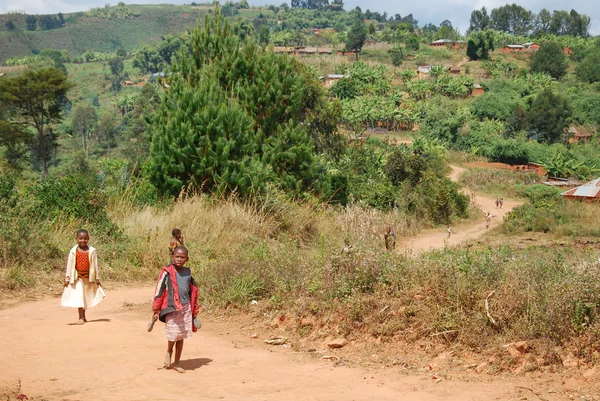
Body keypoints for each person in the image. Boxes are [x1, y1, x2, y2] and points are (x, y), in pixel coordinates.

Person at [152, 246, 200, 374]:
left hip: (185, 308)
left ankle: (177, 362)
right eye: (177, 256)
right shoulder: (167, 272)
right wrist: (156, 308)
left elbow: (193, 292)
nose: (179, 259)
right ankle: (169, 351)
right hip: (173, 308)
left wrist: (194, 312)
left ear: (187, 259)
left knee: (181, 336)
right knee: (173, 335)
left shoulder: (188, 273)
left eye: (182, 257)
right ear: (172, 257)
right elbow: (159, 290)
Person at [61, 229, 106, 325]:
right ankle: (80, 317)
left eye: (85, 239)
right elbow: (69, 265)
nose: (83, 240)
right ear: (76, 239)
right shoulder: (73, 251)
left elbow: (95, 265)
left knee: (85, 297)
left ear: (88, 239)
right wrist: (67, 278)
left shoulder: (92, 251)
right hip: (77, 278)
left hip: (88, 278)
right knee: (79, 297)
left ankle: (84, 315)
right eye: (80, 238)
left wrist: (97, 278)